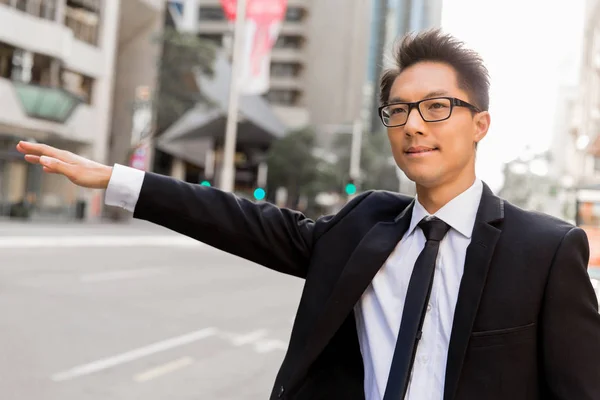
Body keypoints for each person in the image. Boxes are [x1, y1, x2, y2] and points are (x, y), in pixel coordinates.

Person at [16, 29, 600, 400]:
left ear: (481, 125)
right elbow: (240, 219)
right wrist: (118, 180)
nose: (414, 124)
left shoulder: (546, 250)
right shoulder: (366, 225)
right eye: (397, 111)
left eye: (436, 107)